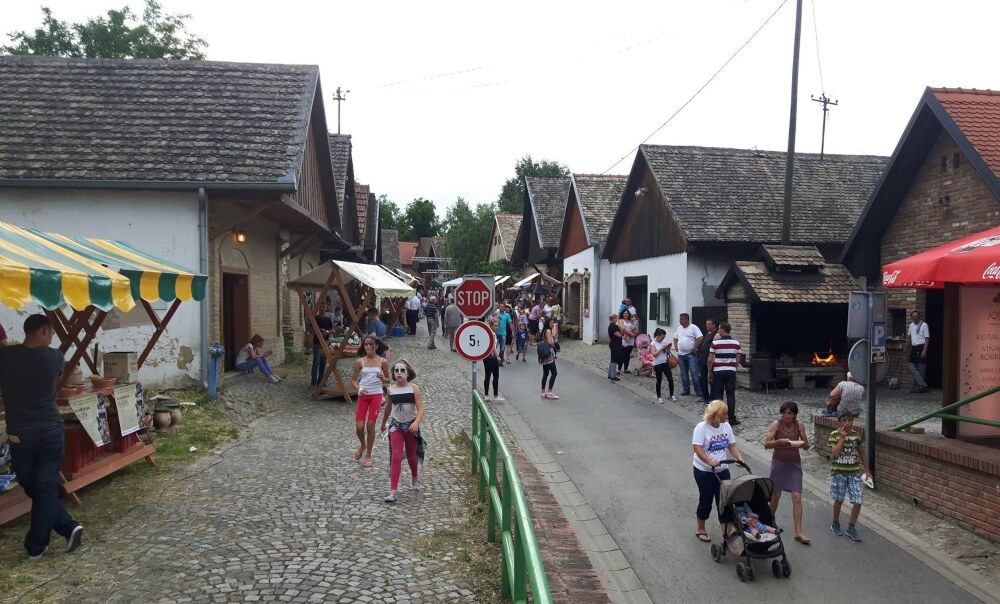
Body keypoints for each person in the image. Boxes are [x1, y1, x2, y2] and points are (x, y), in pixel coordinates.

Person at [0, 314, 85, 559]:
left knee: (34, 485)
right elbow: (55, 380)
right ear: (44, 331)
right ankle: (66, 526)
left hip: (21, 433)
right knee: (42, 487)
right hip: (49, 429)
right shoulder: (55, 357)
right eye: (51, 332)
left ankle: (37, 544)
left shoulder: (6, 357)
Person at [692, 400, 745, 544]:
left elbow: (732, 445)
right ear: (715, 414)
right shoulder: (701, 428)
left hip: (722, 469)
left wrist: (739, 458)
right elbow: (697, 448)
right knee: (706, 499)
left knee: (724, 501)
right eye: (725, 413)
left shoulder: (726, 426)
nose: (727, 416)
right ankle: (700, 529)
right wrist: (709, 462)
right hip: (704, 471)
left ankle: (725, 529)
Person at [765, 401, 811, 544]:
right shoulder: (776, 424)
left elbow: (806, 446)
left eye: (789, 413)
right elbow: (766, 444)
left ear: (794, 415)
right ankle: (769, 522)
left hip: (794, 465)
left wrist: (803, 444)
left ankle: (798, 531)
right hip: (778, 464)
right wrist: (778, 442)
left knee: (797, 497)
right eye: (784, 413)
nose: (786, 416)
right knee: (775, 495)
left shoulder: (800, 425)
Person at [380, 359, 425, 503]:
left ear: (408, 374)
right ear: (393, 374)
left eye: (402, 370)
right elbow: (388, 407)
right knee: (396, 457)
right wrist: (383, 423)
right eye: (396, 370)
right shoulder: (391, 390)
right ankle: (393, 491)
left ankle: (415, 478)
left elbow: (421, 409)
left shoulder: (414, 388)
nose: (399, 373)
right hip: (396, 426)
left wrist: (416, 423)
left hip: (410, 427)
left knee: (412, 456)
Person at [351, 336, 390, 468]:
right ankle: (363, 444)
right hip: (363, 395)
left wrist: (383, 378)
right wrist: (359, 389)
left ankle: (368, 455)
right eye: (366, 344)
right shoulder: (360, 362)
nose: (367, 347)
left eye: (370, 344)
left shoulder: (382, 362)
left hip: (376, 395)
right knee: (359, 427)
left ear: (376, 346)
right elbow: (353, 380)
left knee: (371, 425)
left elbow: (389, 380)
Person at [707, 322, 745, 426]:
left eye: (719, 329)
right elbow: (737, 360)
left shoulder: (715, 343)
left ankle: (719, 418)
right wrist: (733, 368)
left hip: (718, 371)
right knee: (730, 394)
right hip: (730, 372)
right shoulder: (736, 343)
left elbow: (710, 360)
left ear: (723, 330)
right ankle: (732, 419)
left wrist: (709, 372)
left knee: (718, 395)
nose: (718, 331)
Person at [674, 313, 704, 398]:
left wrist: (695, 347)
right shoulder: (679, 328)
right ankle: (686, 389)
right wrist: (675, 345)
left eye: (681, 319)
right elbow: (675, 337)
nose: (680, 321)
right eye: (680, 319)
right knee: (683, 373)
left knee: (694, 373)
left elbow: (700, 337)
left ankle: (698, 391)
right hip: (681, 354)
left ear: (686, 320)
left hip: (691, 354)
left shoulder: (693, 327)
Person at [310, 303, 334, 388]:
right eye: (321, 306)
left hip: (326, 343)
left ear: (326, 308)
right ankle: (313, 382)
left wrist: (327, 332)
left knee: (323, 363)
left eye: (324, 307)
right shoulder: (315, 319)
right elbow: (311, 330)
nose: (322, 308)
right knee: (316, 362)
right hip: (317, 342)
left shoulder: (328, 319)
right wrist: (319, 332)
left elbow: (332, 330)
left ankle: (321, 381)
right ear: (319, 308)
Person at [906, 310, 930, 393]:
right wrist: (906, 348)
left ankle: (920, 387)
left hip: (921, 347)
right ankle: (923, 384)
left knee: (921, 368)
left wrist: (924, 350)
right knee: (911, 365)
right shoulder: (911, 325)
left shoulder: (924, 325)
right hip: (914, 347)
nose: (914, 319)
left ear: (919, 317)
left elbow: (927, 338)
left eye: (916, 317)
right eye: (913, 318)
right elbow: (909, 337)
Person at [650, 328, 675, 402]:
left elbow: (667, 353)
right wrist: (661, 349)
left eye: (664, 337)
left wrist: (667, 350)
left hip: (665, 362)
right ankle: (659, 396)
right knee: (659, 380)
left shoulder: (664, 342)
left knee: (670, 379)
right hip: (657, 364)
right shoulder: (653, 343)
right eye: (662, 337)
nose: (663, 338)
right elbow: (654, 354)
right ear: (657, 335)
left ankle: (671, 394)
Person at [538, 317, 559, 399]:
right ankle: (550, 391)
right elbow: (550, 342)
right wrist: (555, 347)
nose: (553, 324)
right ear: (547, 323)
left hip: (544, 355)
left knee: (545, 373)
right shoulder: (548, 331)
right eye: (551, 322)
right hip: (549, 355)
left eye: (553, 322)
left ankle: (543, 392)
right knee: (554, 373)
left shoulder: (544, 331)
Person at [482, 319, 503, 401]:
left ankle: (494, 395)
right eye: (495, 326)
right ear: (491, 326)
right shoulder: (491, 334)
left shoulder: (492, 333)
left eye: (497, 326)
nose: (497, 327)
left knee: (495, 376)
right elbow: (492, 346)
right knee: (490, 376)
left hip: (490, 356)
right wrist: (498, 356)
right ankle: (488, 395)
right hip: (490, 357)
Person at [698, 319, 718, 404]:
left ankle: (712, 398)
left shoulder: (716, 335)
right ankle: (705, 396)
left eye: (709, 324)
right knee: (702, 379)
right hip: (703, 360)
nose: (707, 325)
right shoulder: (707, 333)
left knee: (711, 380)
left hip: (710, 360)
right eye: (706, 324)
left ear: (714, 325)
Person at [607, 313, 623, 381]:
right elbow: (619, 335)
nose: (616, 319)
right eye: (615, 318)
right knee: (614, 358)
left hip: (615, 343)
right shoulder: (612, 327)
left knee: (613, 358)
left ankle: (610, 374)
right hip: (615, 343)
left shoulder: (614, 326)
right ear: (612, 319)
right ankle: (613, 375)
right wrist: (622, 332)